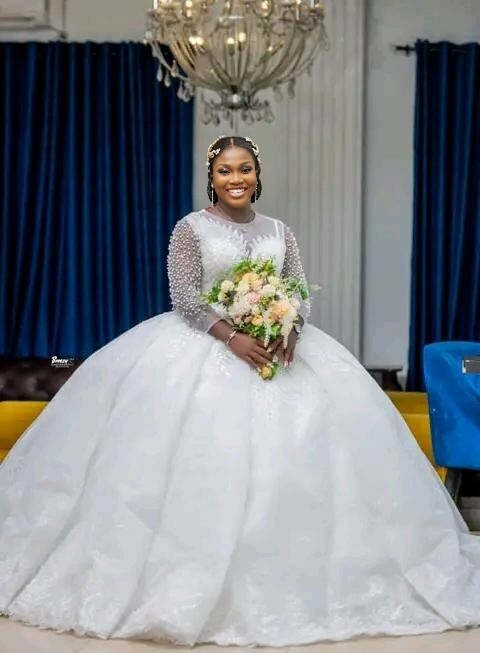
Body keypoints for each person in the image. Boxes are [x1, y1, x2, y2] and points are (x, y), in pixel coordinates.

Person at [1, 135, 480, 647]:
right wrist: (233, 337)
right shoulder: (191, 228)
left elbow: (297, 290)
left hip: (279, 349)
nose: (236, 179)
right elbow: (185, 296)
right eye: (226, 170)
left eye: (245, 169)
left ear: (257, 173)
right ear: (212, 177)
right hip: (205, 348)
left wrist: (290, 327)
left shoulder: (279, 230)